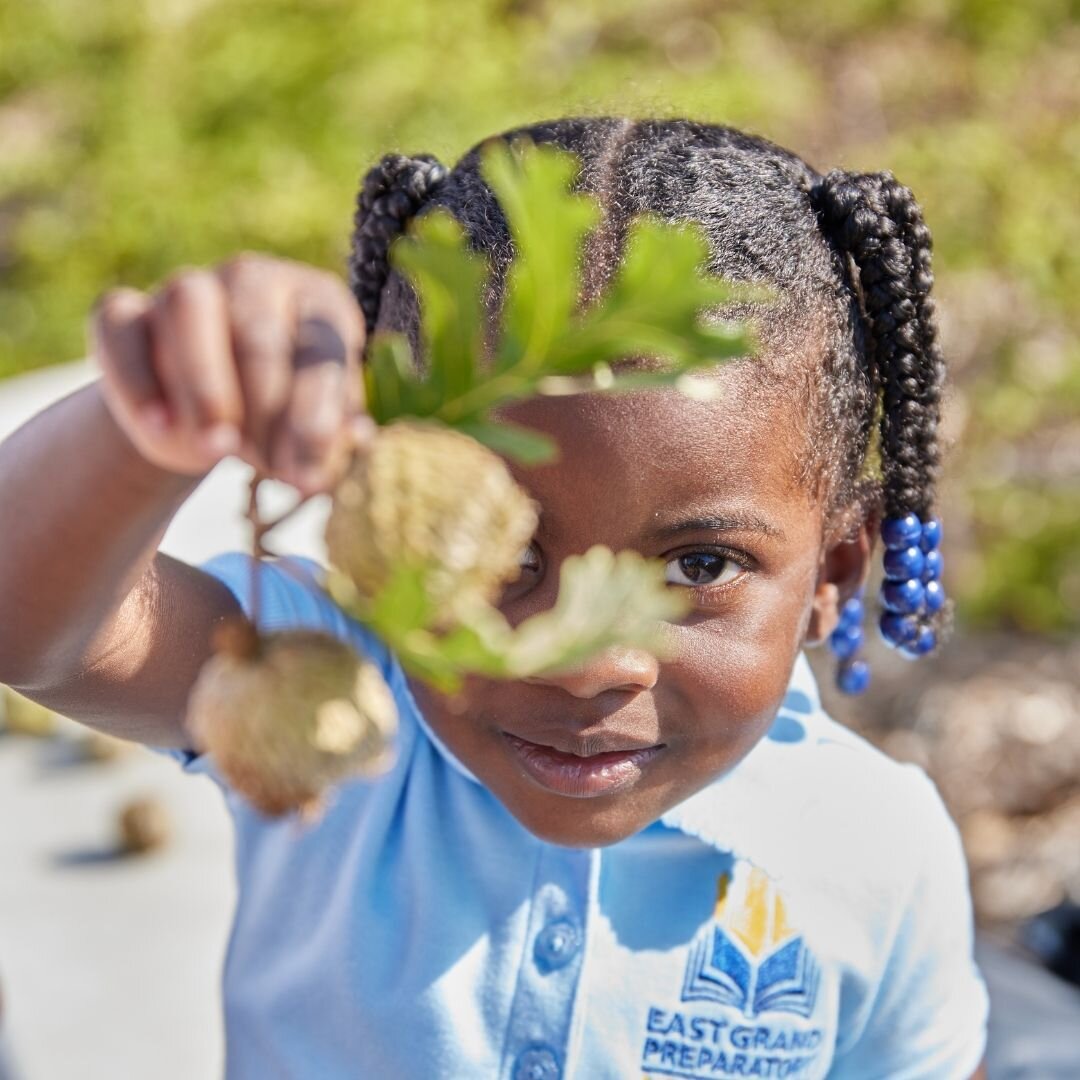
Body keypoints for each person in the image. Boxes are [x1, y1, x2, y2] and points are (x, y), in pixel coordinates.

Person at [0, 118, 989, 1078]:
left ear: (835, 575)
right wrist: (160, 418)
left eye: (697, 567)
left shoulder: (874, 851)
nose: (588, 658)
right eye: (501, 551)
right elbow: (32, 629)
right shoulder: (339, 699)